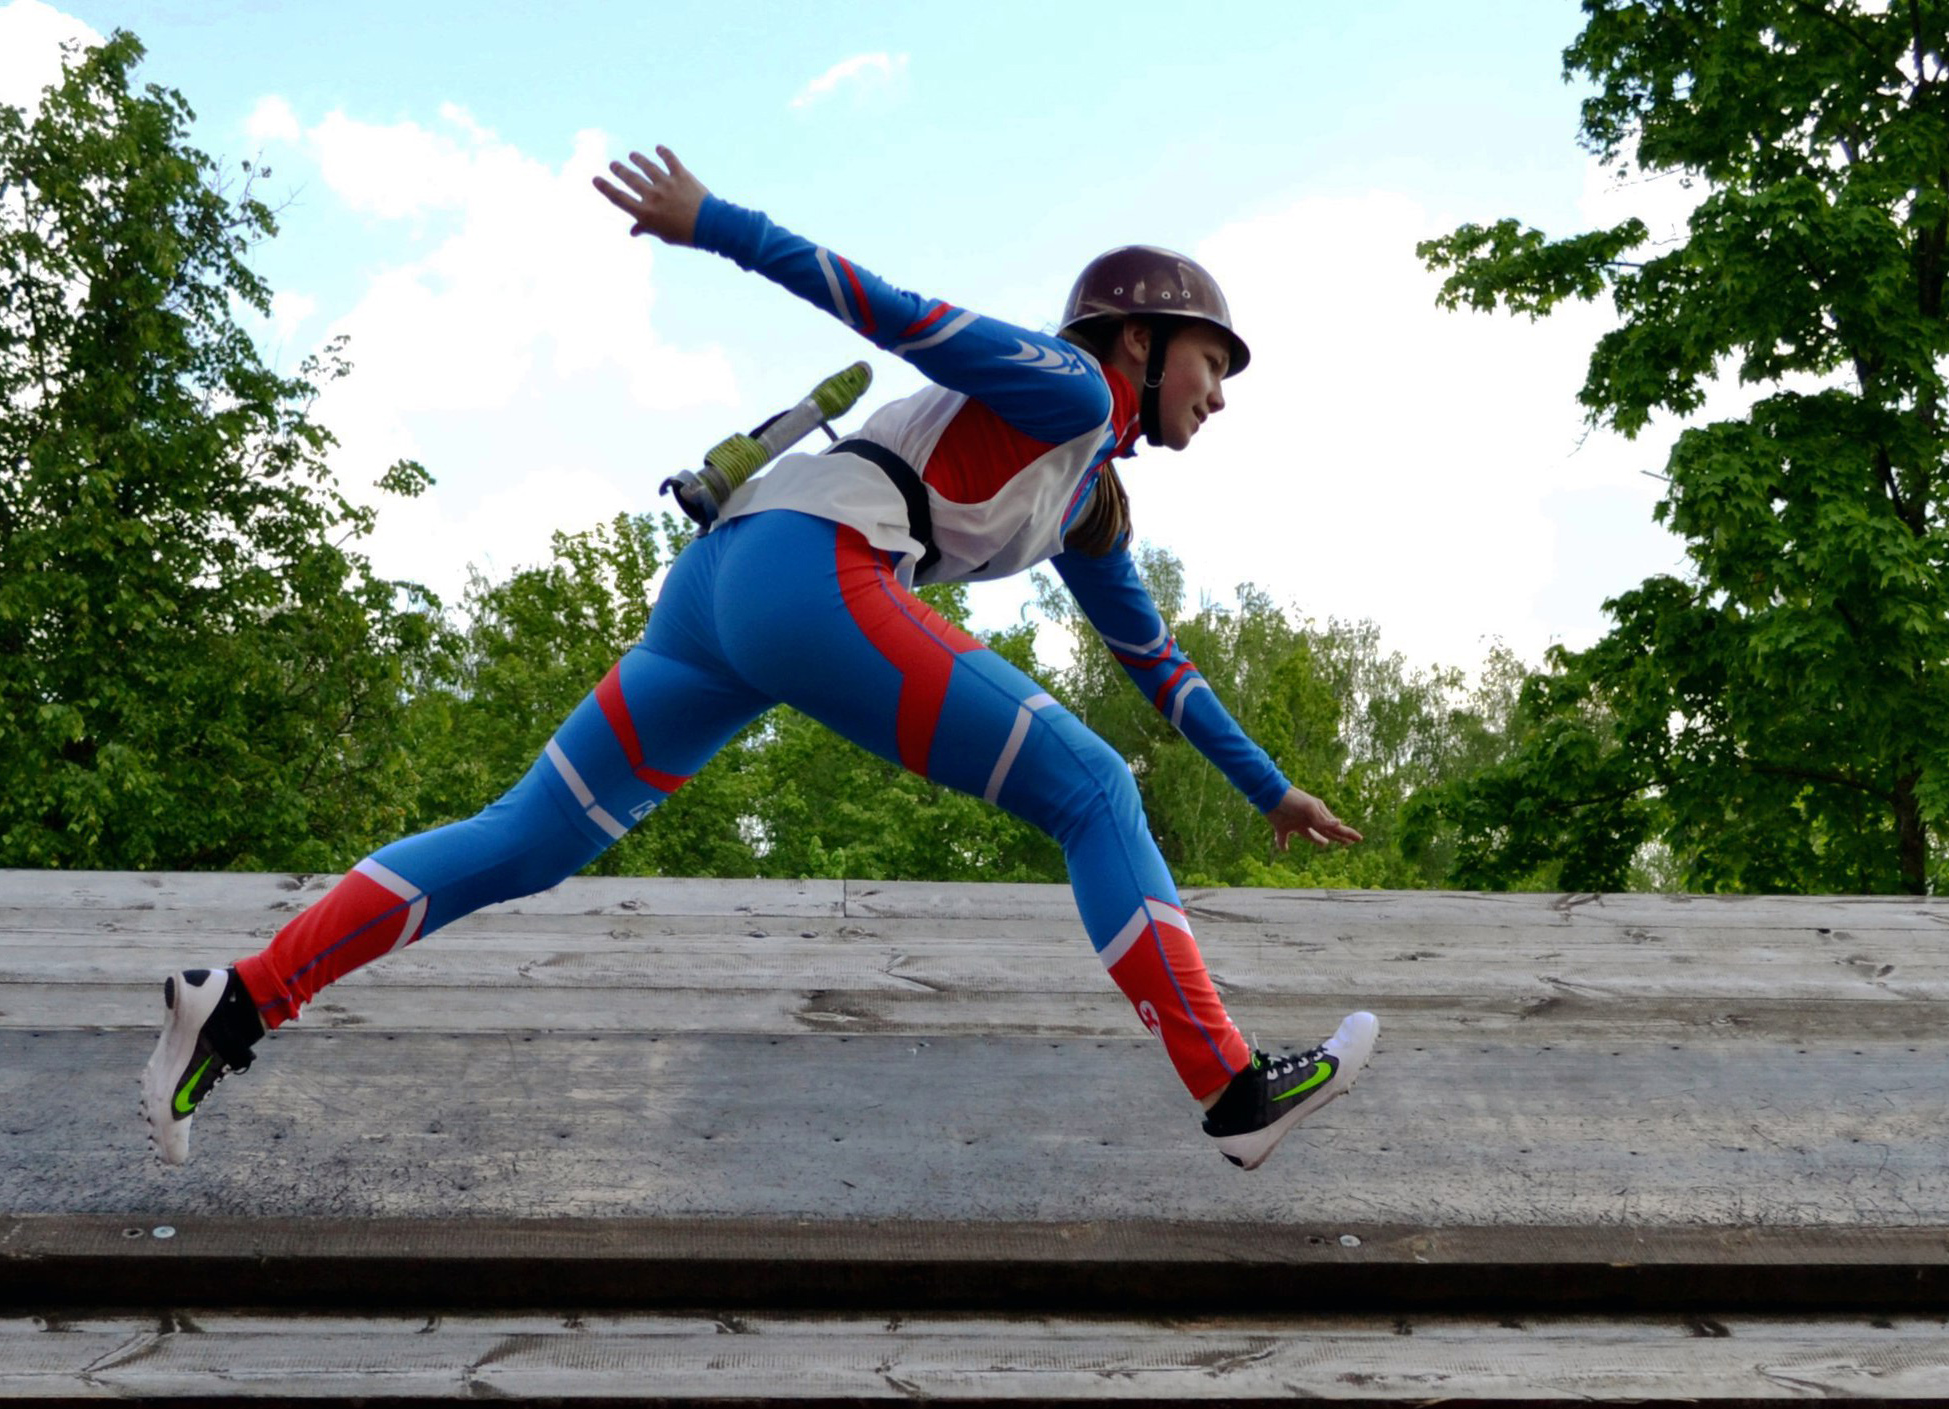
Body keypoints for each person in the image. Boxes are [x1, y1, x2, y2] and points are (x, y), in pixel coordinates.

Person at [141, 145, 1377, 1173]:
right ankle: (1229, 1093)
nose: (1219, 396)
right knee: (1092, 791)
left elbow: (1162, 668)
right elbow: (890, 310)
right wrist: (710, 224)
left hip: (716, 600)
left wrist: (1270, 790)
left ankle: (239, 998)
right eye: (1213, 363)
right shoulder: (1065, 385)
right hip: (806, 569)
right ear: (1140, 342)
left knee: (520, 843)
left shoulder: (1086, 506)